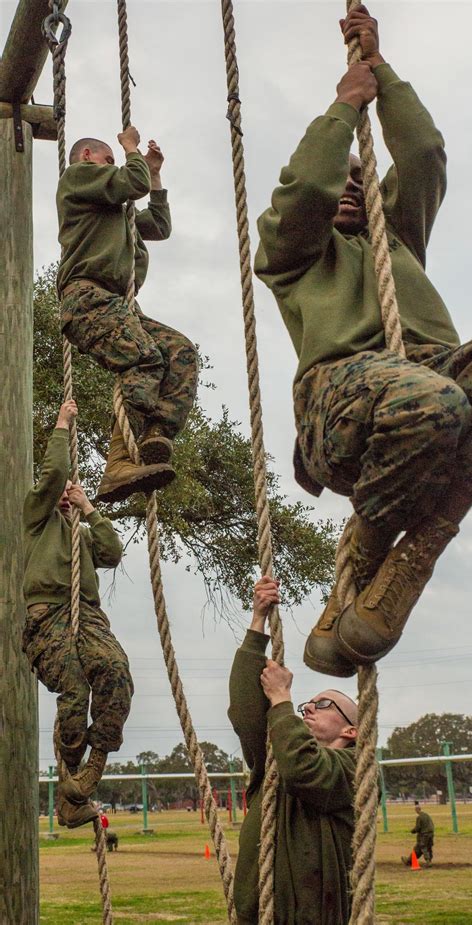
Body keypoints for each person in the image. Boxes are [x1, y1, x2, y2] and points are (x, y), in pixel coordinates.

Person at [254, 4, 472, 678]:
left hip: (432, 386)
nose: (350, 186)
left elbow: (425, 153)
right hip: (345, 404)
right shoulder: (293, 254)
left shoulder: (395, 238)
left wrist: (381, 68)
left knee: (448, 400)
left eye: (361, 178)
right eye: (339, 181)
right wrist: (344, 107)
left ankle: (413, 555)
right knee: (435, 402)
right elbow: (302, 196)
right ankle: (370, 539)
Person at [56, 127, 199, 504]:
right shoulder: (76, 179)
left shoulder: (118, 213)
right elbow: (130, 182)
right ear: (88, 157)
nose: (113, 167)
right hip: (88, 298)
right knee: (144, 358)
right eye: (109, 161)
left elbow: (160, 226)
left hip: (118, 305)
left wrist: (154, 176)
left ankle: (155, 435)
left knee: (180, 353)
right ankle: (117, 463)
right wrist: (132, 149)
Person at [22, 399, 134, 828]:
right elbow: (51, 476)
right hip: (47, 616)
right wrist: (63, 423)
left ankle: (89, 774)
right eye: (62, 493)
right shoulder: (36, 520)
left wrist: (88, 508)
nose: (64, 495)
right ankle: (68, 775)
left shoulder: (81, 535)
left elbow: (112, 552)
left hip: (87, 616)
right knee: (74, 688)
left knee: (115, 670)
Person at [228, 577, 358, 925]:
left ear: (351, 729)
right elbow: (245, 714)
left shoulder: (354, 770)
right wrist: (258, 622)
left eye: (324, 704)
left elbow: (305, 770)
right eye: (306, 705)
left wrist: (282, 699)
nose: (309, 708)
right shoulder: (275, 761)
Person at [402, 801, 434, 867]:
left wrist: (412, 831)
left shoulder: (419, 817)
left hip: (424, 835)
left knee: (423, 847)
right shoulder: (426, 815)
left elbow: (417, 828)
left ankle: (428, 861)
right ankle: (409, 861)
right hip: (431, 834)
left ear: (417, 810)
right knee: (419, 848)